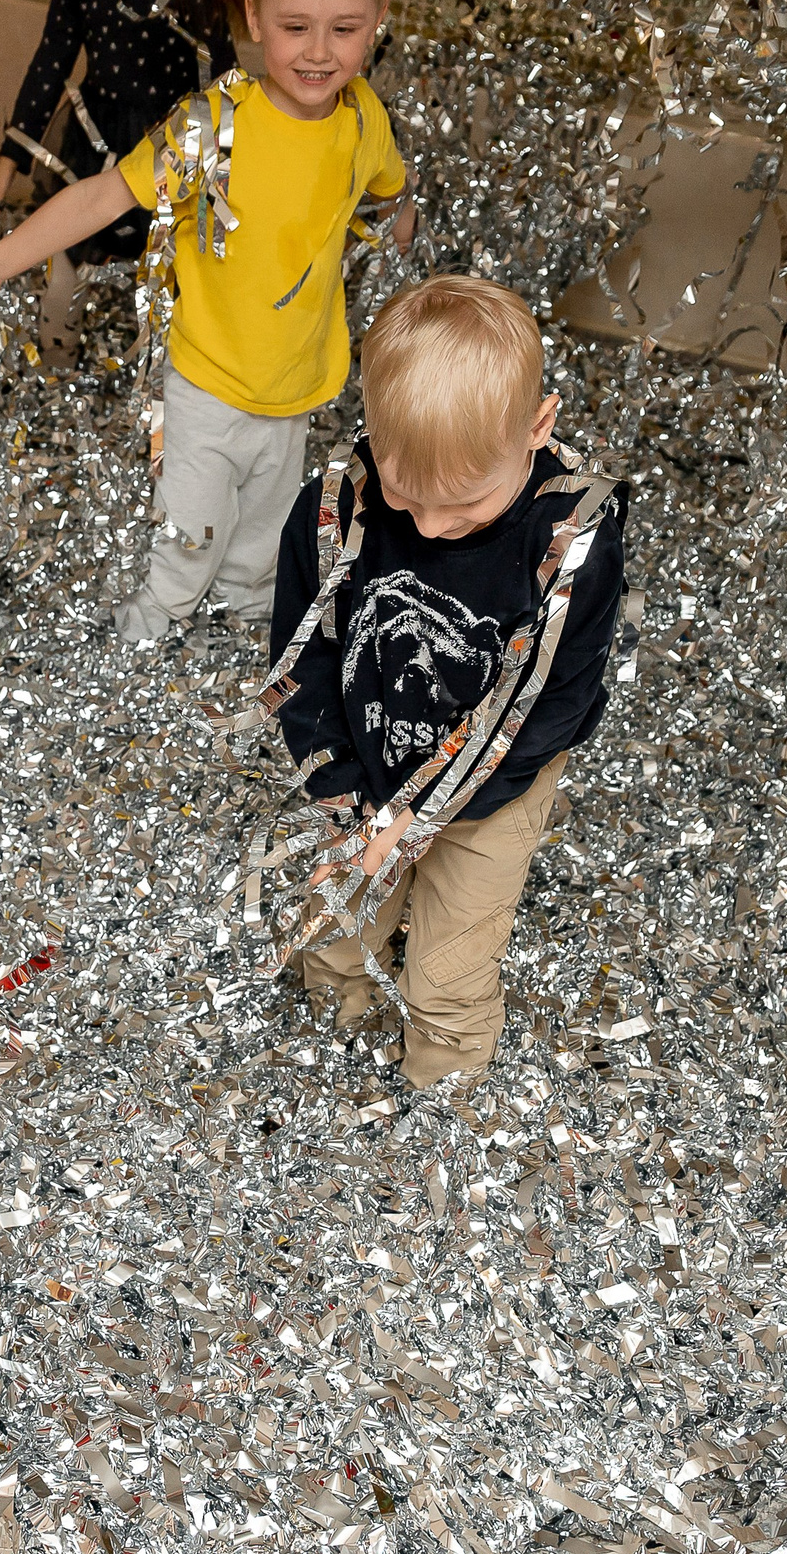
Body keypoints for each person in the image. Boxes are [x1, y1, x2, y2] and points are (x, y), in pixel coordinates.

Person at [0, 0, 417, 643]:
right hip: (206, 380)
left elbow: (389, 186)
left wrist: (402, 224)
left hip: (295, 385)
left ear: (379, 19)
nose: (317, 52)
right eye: (294, 26)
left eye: (345, 29)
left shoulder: (364, 116)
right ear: (252, 13)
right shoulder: (215, 126)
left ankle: (245, 619)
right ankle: (150, 624)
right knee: (192, 531)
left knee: (263, 536)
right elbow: (101, 197)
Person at [265, 276, 628, 1086]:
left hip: (496, 778)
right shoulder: (339, 509)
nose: (427, 525)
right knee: (341, 914)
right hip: (369, 752)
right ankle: (333, 1031)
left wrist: (413, 820)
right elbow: (303, 661)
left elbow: (528, 710)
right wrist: (347, 792)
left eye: (463, 503)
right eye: (406, 493)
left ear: (539, 427)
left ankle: (443, 1078)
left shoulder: (569, 544)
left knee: (446, 963)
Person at [0, 0, 244, 349]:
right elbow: (48, 67)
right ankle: (56, 361)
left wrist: (220, 172)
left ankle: (157, 385)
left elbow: (223, 81)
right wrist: (7, 163)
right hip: (91, 144)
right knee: (68, 258)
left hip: (167, 150)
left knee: (168, 272)